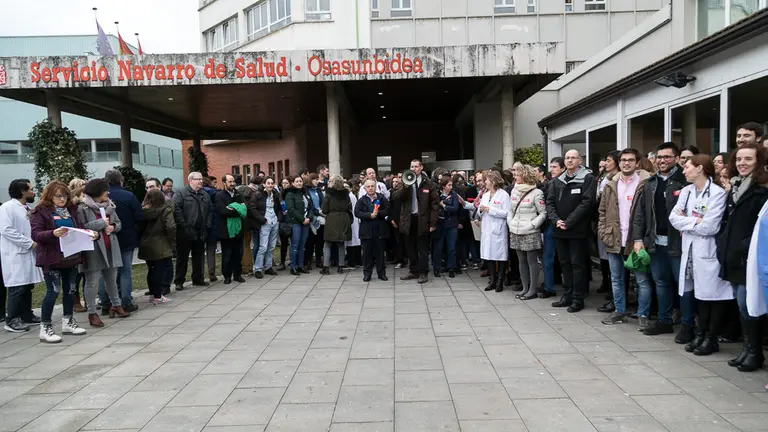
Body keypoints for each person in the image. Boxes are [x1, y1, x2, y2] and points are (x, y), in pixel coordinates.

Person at [669, 154, 731, 355]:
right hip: (690, 251)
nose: (684, 171)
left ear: (700, 168)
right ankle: (701, 334)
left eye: (687, 167)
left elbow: (710, 227)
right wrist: (695, 221)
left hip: (708, 252)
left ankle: (711, 338)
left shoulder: (717, 193)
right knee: (699, 295)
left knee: (712, 296)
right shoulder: (687, 191)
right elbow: (673, 218)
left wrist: (686, 222)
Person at [717, 143, 768, 372]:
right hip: (734, 257)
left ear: (759, 162)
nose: (742, 163)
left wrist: (744, 246)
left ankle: (755, 353)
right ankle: (748, 349)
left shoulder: (762, 190)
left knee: (749, 305)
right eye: (739, 159)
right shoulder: (737, 186)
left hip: (749, 257)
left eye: (748, 159)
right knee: (741, 305)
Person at [632, 142, 691, 339]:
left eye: (667, 157)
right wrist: (638, 238)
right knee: (661, 282)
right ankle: (664, 321)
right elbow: (640, 214)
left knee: (683, 285)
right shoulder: (650, 183)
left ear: (676, 159)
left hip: (679, 244)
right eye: (659, 157)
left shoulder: (685, 182)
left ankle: (687, 324)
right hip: (655, 243)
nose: (662, 160)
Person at [30, 181, 92, 342]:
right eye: (58, 196)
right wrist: (52, 233)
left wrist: (89, 234)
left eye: (65, 196)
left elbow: (79, 228)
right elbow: (36, 234)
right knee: (53, 291)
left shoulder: (71, 210)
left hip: (71, 256)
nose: (62, 199)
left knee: (70, 289)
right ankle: (45, 327)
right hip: (52, 258)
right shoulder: (41, 211)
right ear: (50, 196)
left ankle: (68, 321)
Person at [597, 149, 650, 324]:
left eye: (631, 160)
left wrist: (643, 237)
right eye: (623, 160)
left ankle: (643, 314)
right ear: (619, 163)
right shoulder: (611, 185)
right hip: (614, 238)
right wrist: (604, 233)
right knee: (616, 278)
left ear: (637, 163)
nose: (626, 163)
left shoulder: (644, 183)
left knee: (642, 280)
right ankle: (619, 311)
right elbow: (602, 211)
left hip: (636, 240)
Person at [546, 150, 596, 313]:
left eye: (573, 158)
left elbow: (587, 203)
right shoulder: (557, 181)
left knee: (577, 265)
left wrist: (569, 222)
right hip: (560, 229)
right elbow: (550, 202)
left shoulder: (587, 178)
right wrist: (556, 220)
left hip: (578, 230)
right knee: (565, 263)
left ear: (580, 160)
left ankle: (578, 299)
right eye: (567, 158)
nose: (569, 160)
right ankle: (567, 296)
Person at [77, 179, 129, 325]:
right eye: (105, 190)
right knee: (92, 282)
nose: (108, 193)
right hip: (93, 250)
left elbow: (118, 223)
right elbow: (82, 227)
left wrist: (113, 226)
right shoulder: (83, 208)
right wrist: (101, 223)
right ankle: (92, 312)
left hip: (110, 247)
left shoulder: (110, 206)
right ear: (98, 191)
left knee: (111, 279)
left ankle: (116, 304)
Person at [1, 179, 43, 333]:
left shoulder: (28, 208)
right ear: (22, 192)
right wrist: (29, 243)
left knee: (27, 286)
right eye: (30, 189)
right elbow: (6, 230)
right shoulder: (7, 208)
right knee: (17, 287)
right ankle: (12, 319)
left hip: (27, 253)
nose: (33, 192)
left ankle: (26, 314)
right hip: (15, 254)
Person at [393, 159, 439, 284]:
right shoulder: (405, 181)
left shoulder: (428, 183)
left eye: (416, 166)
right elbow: (396, 197)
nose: (414, 169)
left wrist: (433, 223)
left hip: (422, 219)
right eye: (412, 166)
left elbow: (435, 205)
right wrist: (406, 187)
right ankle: (413, 270)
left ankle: (423, 272)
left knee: (422, 248)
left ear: (421, 168)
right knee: (410, 247)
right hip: (409, 219)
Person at [103, 169, 142, 313]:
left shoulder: (101, 197)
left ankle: (106, 303)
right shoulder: (128, 196)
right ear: (121, 181)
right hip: (126, 237)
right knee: (125, 271)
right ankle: (126, 301)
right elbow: (139, 215)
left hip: (106, 238)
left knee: (106, 272)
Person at [507, 164, 546, 300]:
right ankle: (525, 288)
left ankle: (532, 289)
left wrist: (532, 225)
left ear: (525, 176)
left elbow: (543, 213)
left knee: (531, 260)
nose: (515, 177)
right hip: (515, 229)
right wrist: (510, 222)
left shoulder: (537, 193)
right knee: (521, 260)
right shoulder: (514, 191)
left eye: (517, 175)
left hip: (530, 231)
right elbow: (511, 210)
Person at [173, 172, 212, 291]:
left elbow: (210, 210)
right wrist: (184, 225)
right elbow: (176, 209)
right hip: (185, 231)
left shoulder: (204, 194)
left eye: (201, 179)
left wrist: (208, 223)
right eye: (198, 179)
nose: (201, 181)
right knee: (182, 257)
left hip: (201, 230)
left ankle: (198, 279)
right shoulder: (181, 193)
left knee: (199, 256)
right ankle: (179, 281)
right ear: (191, 181)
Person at [139, 189, 175, 305]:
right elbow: (170, 226)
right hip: (161, 242)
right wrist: (171, 239)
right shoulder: (166, 210)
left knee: (151, 270)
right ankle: (158, 296)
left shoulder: (143, 211)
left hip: (146, 243)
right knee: (160, 270)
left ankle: (152, 293)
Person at [477, 170, 510, 292]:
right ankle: (492, 280)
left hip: (498, 230)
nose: (485, 182)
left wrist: (489, 209)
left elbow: (506, 213)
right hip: (487, 229)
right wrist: (480, 210)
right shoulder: (485, 195)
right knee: (489, 256)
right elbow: (480, 211)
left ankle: (500, 281)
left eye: (486, 180)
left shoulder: (503, 195)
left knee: (500, 257)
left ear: (493, 181)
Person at [356, 179, 390, 281]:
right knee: (367, 254)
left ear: (376, 187)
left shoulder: (381, 198)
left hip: (379, 230)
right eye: (368, 186)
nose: (370, 188)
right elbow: (357, 212)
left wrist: (378, 213)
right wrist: (369, 215)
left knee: (380, 253)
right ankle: (367, 274)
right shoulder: (362, 200)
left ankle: (381, 273)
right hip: (366, 231)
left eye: (372, 186)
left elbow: (388, 209)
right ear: (365, 188)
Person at [540, 158, 564, 299]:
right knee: (547, 258)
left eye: (555, 167)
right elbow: (548, 204)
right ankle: (549, 287)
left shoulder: (571, 184)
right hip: (551, 224)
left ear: (562, 168)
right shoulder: (549, 184)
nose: (551, 170)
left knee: (568, 260)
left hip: (566, 225)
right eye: (551, 167)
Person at [217, 174, 246, 284]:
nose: (233, 183)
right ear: (224, 183)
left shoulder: (238, 194)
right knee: (227, 254)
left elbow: (244, 210)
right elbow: (223, 211)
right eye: (230, 182)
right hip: (226, 231)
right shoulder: (219, 195)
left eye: (233, 181)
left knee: (238, 254)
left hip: (238, 230)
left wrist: (232, 208)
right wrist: (237, 209)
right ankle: (227, 276)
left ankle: (237, 275)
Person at [321, 175, 352, 275]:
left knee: (327, 244)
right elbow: (349, 207)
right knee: (341, 244)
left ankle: (326, 267)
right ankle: (341, 266)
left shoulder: (328, 194)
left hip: (332, 219)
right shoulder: (346, 194)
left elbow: (325, 209)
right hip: (343, 218)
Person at [252, 177, 281, 278]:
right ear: (264, 184)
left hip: (274, 222)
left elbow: (278, 208)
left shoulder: (275, 194)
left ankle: (268, 267)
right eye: (268, 183)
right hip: (265, 223)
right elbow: (252, 208)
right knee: (263, 247)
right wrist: (262, 219)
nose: (270, 185)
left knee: (271, 246)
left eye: (272, 183)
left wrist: (278, 218)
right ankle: (257, 269)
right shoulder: (258, 194)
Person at [432, 177, 459, 278]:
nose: (451, 187)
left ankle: (451, 267)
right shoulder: (437, 194)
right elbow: (434, 206)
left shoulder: (454, 195)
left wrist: (444, 205)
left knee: (451, 248)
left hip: (451, 224)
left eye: (451, 185)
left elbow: (455, 208)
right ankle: (437, 267)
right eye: (449, 185)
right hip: (440, 223)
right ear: (443, 186)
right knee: (438, 247)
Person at [284, 175, 311, 276]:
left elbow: (310, 207)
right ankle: (293, 267)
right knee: (295, 245)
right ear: (292, 183)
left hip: (306, 222)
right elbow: (291, 209)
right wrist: (302, 219)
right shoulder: (290, 194)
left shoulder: (304, 193)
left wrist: (309, 217)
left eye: (300, 181)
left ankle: (301, 265)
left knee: (302, 246)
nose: (299, 183)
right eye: (297, 181)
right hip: (295, 222)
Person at [68, 178, 87, 313]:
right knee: (75, 276)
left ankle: (87, 299)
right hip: (75, 243)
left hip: (86, 241)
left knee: (87, 274)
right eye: (82, 186)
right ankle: (75, 301)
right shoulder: (71, 206)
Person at [304, 173, 324, 270]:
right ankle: (308, 260)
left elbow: (322, 202)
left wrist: (321, 211)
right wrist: (316, 211)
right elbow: (309, 204)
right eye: (315, 179)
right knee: (310, 241)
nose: (317, 181)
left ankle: (318, 260)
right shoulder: (306, 190)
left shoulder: (318, 190)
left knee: (319, 240)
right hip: (311, 217)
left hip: (320, 217)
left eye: (317, 179)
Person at [202, 177, 219, 282]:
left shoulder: (197, 193)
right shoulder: (214, 193)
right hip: (213, 225)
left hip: (201, 226)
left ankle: (199, 274)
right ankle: (211, 272)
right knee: (211, 249)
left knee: (199, 251)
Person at [345, 179, 362, 269]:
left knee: (352, 241)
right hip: (352, 220)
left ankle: (352, 262)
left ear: (351, 188)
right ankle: (357, 261)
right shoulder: (349, 196)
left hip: (352, 220)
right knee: (354, 241)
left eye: (347, 187)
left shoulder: (350, 196)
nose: (345, 188)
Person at [278, 177, 291, 271]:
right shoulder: (279, 195)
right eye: (283, 183)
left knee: (294, 243)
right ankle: (282, 262)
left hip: (293, 220)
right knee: (284, 243)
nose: (285, 185)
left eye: (286, 183)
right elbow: (277, 208)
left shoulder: (292, 194)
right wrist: (281, 215)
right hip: (283, 221)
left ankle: (293, 260)